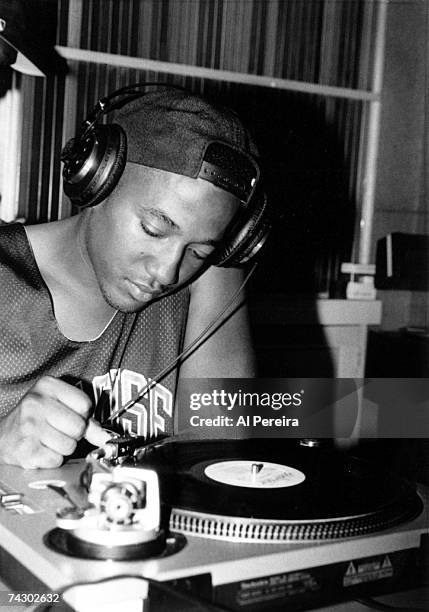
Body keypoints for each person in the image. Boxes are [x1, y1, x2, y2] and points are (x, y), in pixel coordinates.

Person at [0, 86, 268, 469]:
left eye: (198, 251)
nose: (166, 272)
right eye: (154, 230)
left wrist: (219, 262)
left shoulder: (196, 289)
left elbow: (219, 458)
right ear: (97, 182)